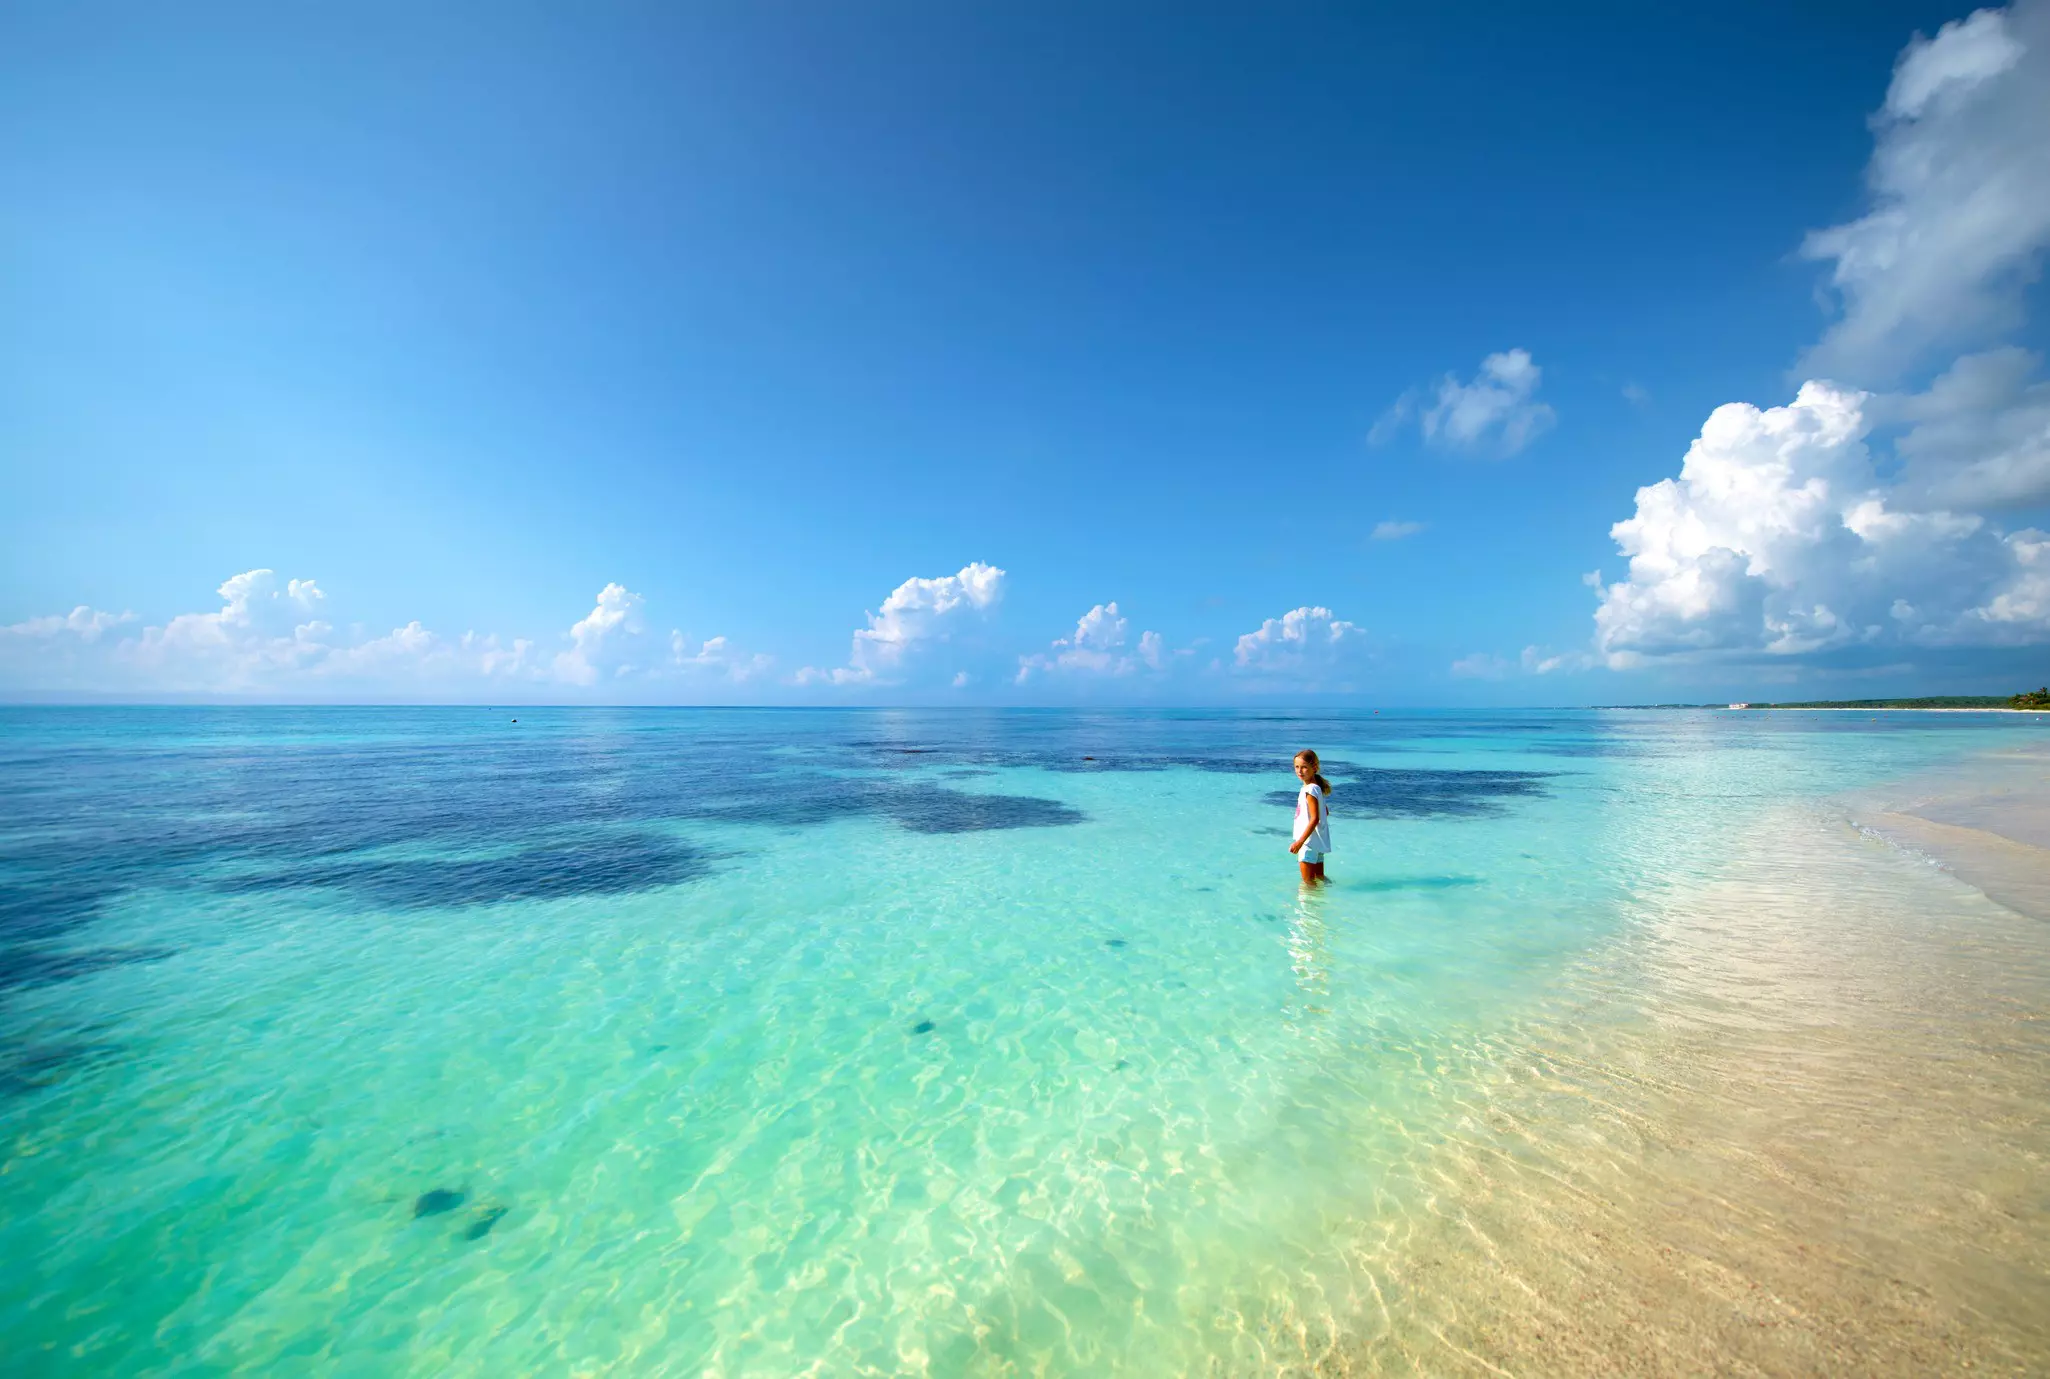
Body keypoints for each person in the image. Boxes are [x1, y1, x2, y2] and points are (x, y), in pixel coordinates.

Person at [1290, 749, 1332, 885]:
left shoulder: (1309, 790)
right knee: (1320, 879)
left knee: (1308, 884)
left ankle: (1310, 906)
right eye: (1297, 767)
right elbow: (1325, 812)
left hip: (1307, 843)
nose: (1300, 771)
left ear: (1314, 768)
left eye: (1304, 767)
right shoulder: (1316, 788)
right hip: (1317, 843)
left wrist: (1300, 842)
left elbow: (1315, 818)